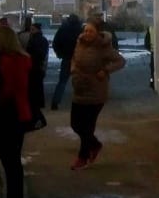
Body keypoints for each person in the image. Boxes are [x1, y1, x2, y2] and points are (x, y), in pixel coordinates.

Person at [0, 25, 32, 198]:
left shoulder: (4, 62)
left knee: (10, 162)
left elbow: (6, 90)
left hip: (8, 114)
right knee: (13, 162)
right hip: (21, 112)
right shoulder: (24, 59)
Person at [68, 17, 125, 170]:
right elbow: (74, 58)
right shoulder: (79, 42)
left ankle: (82, 157)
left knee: (87, 127)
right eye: (85, 30)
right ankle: (95, 145)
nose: (87, 33)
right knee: (75, 124)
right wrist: (73, 68)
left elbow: (120, 61)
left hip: (96, 91)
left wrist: (105, 70)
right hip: (79, 88)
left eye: (91, 31)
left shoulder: (103, 46)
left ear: (97, 33)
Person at [21, 19, 50, 129]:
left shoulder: (34, 41)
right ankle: (37, 118)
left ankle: (37, 119)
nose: (31, 31)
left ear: (37, 29)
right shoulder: (42, 40)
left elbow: (35, 55)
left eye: (33, 29)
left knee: (32, 96)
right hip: (38, 70)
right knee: (34, 95)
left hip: (33, 70)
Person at [50, 13, 82, 110]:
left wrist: (60, 54)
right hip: (79, 59)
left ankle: (55, 102)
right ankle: (81, 102)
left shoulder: (63, 29)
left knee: (62, 82)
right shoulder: (81, 30)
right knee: (80, 82)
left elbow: (55, 43)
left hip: (66, 58)